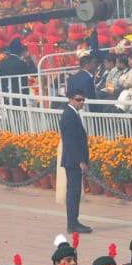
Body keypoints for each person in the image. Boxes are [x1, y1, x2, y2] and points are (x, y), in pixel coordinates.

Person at [58, 87, 92, 235]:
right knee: (73, 192)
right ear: (71, 99)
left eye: (83, 99)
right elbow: (70, 141)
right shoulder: (69, 115)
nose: (81, 102)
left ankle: (74, 221)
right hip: (73, 161)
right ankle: (72, 223)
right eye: (78, 100)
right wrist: (80, 161)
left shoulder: (73, 114)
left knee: (75, 192)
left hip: (74, 159)